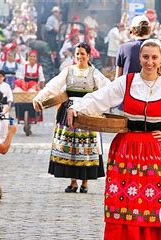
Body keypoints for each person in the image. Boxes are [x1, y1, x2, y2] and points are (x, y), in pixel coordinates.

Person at [67, 39, 161, 240]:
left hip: (155, 151)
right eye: (145, 57)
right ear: (140, 59)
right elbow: (100, 98)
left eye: (154, 57)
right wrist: (77, 107)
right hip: (126, 148)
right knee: (124, 202)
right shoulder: (126, 82)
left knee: (149, 204)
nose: (149, 61)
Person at [33, 42, 110, 193]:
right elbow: (53, 86)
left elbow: (107, 88)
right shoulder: (68, 71)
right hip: (67, 111)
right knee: (71, 148)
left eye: (82, 54)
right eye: (77, 54)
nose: (80, 57)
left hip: (86, 111)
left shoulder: (94, 73)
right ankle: (73, 182)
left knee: (86, 147)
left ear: (88, 56)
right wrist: (39, 97)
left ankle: (85, 183)